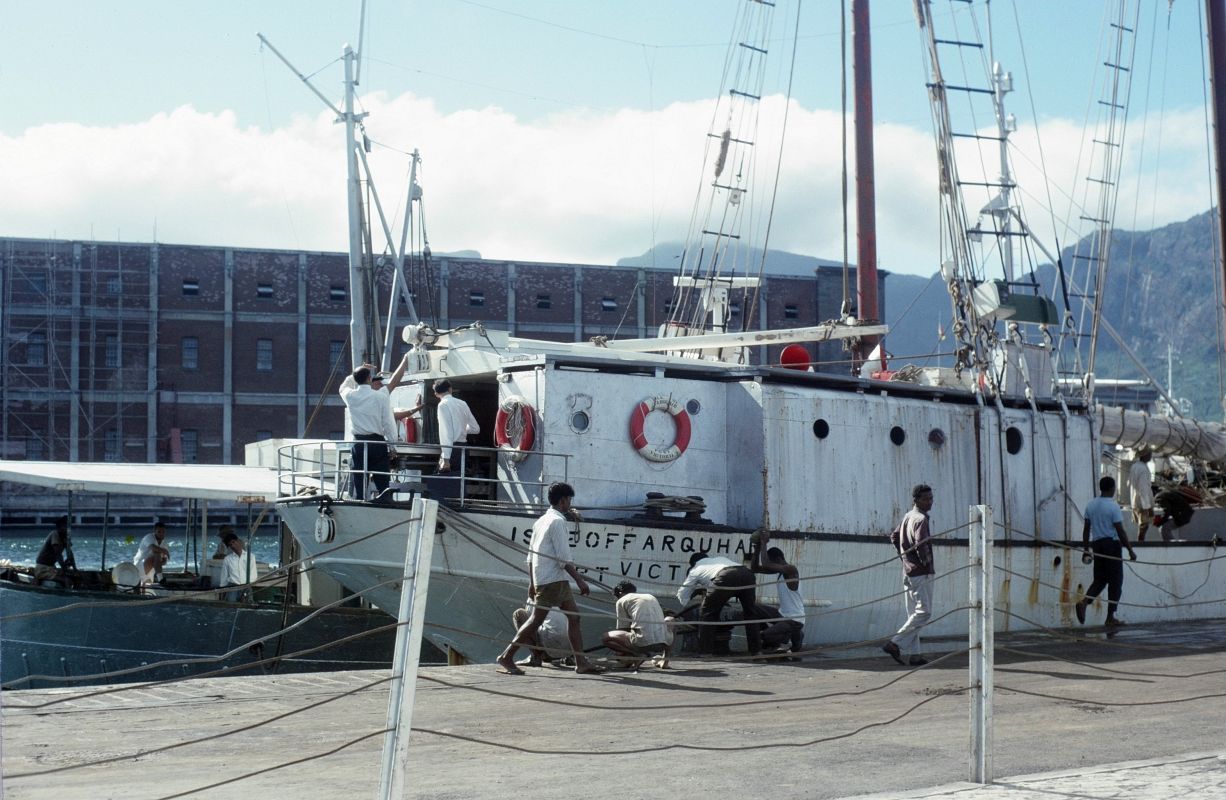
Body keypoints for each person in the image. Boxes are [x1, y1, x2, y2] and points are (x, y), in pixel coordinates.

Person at [495, 482, 604, 675]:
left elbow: (530, 556)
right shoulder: (558, 521)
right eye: (569, 500)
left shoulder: (541, 521)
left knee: (574, 617)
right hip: (553, 579)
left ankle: (581, 661)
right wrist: (579, 580)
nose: (570, 504)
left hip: (547, 578)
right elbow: (563, 557)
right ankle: (506, 656)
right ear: (563, 500)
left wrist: (532, 582)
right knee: (536, 620)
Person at [339, 356, 407, 500]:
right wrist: (393, 446)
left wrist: (354, 375)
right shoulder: (380, 397)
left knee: (359, 478)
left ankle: (360, 502)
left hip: (359, 443)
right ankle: (384, 502)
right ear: (370, 378)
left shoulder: (350, 396)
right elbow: (388, 423)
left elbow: (342, 387)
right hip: (377, 443)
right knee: (382, 480)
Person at [883, 484, 935, 667]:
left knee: (914, 614)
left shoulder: (907, 517)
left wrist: (904, 558)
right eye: (926, 499)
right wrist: (926, 564)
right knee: (924, 612)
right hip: (921, 572)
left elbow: (894, 537)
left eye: (931, 498)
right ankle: (894, 643)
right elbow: (921, 544)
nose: (930, 502)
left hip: (907, 571)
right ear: (917, 500)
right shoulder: (921, 519)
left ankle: (916, 655)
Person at [1075, 476, 1138, 627]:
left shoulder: (1091, 505)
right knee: (1115, 581)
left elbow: (1086, 529)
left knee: (1100, 580)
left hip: (1097, 545)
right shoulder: (1113, 506)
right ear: (1112, 488)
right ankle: (1110, 616)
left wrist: (1086, 550)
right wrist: (1130, 550)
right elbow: (1120, 531)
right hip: (1112, 545)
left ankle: (1084, 602)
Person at [677, 552, 761, 656]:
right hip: (747, 574)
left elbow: (682, 594)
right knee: (751, 615)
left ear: (693, 563)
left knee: (707, 613)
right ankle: (757, 652)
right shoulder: (720, 559)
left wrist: (692, 595)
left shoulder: (696, 569)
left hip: (724, 576)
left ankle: (705, 652)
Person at [750, 531, 805, 655]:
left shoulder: (790, 569)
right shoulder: (781, 572)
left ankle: (791, 636)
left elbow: (766, 564)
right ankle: (785, 636)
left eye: (772, 562)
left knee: (764, 637)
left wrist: (763, 543)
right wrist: (758, 549)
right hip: (782, 615)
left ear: (778, 559)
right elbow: (755, 568)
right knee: (753, 609)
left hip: (794, 620)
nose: (771, 565)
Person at [602, 581, 673, 670]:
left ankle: (636, 655)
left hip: (642, 644)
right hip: (664, 643)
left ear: (619, 593)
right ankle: (665, 661)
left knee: (606, 637)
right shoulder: (650, 596)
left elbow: (622, 629)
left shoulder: (621, 600)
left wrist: (621, 652)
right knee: (670, 620)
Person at [434, 379, 480, 474]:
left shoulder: (442, 405)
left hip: (451, 449)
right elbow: (476, 429)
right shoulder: (463, 403)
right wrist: (461, 429)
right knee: (460, 481)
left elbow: (446, 433)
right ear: (450, 389)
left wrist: (446, 458)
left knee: (443, 481)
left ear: (436, 394)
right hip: (464, 448)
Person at [34, 515, 76, 585]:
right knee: (65, 580)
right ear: (59, 527)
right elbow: (58, 554)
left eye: (67, 526)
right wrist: (64, 567)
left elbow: (70, 553)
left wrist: (75, 569)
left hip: (52, 568)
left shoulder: (65, 537)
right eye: (65, 526)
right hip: (43, 568)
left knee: (74, 577)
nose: (66, 528)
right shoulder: (55, 534)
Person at [219, 531, 256, 602]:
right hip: (233, 587)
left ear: (238, 541)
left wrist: (245, 586)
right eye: (230, 545)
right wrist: (222, 592)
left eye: (233, 542)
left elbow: (253, 575)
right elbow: (224, 578)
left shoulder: (251, 557)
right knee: (231, 606)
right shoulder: (227, 559)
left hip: (247, 586)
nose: (233, 545)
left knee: (248, 606)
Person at [1128, 447, 1154, 541]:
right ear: (1145, 455)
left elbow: (1129, 483)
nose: (1151, 456)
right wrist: (1148, 507)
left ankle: (1140, 542)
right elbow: (1143, 489)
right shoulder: (1142, 469)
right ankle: (1140, 543)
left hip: (1135, 500)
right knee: (1144, 525)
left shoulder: (1135, 466)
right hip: (1142, 503)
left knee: (1142, 525)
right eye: (1150, 454)